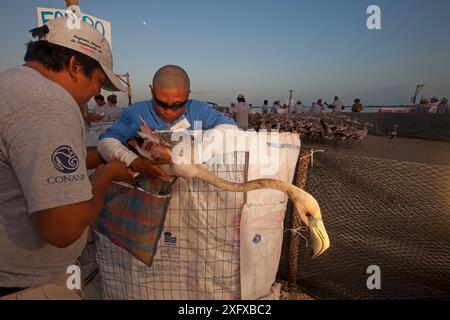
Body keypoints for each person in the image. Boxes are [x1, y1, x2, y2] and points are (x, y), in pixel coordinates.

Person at [0, 17, 134, 300]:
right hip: (26, 286)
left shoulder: (13, 85)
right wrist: (107, 174)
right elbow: (65, 227)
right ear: (75, 67)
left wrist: (107, 156)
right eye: (98, 81)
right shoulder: (49, 102)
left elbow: (30, 164)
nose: (97, 92)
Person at [97, 65, 237, 176]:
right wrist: (132, 160)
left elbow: (230, 129)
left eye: (177, 105)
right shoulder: (135, 113)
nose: (169, 111)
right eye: (162, 103)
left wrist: (194, 153)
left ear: (188, 94)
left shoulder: (198, 110)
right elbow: (106, 142)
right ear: (152, 91)